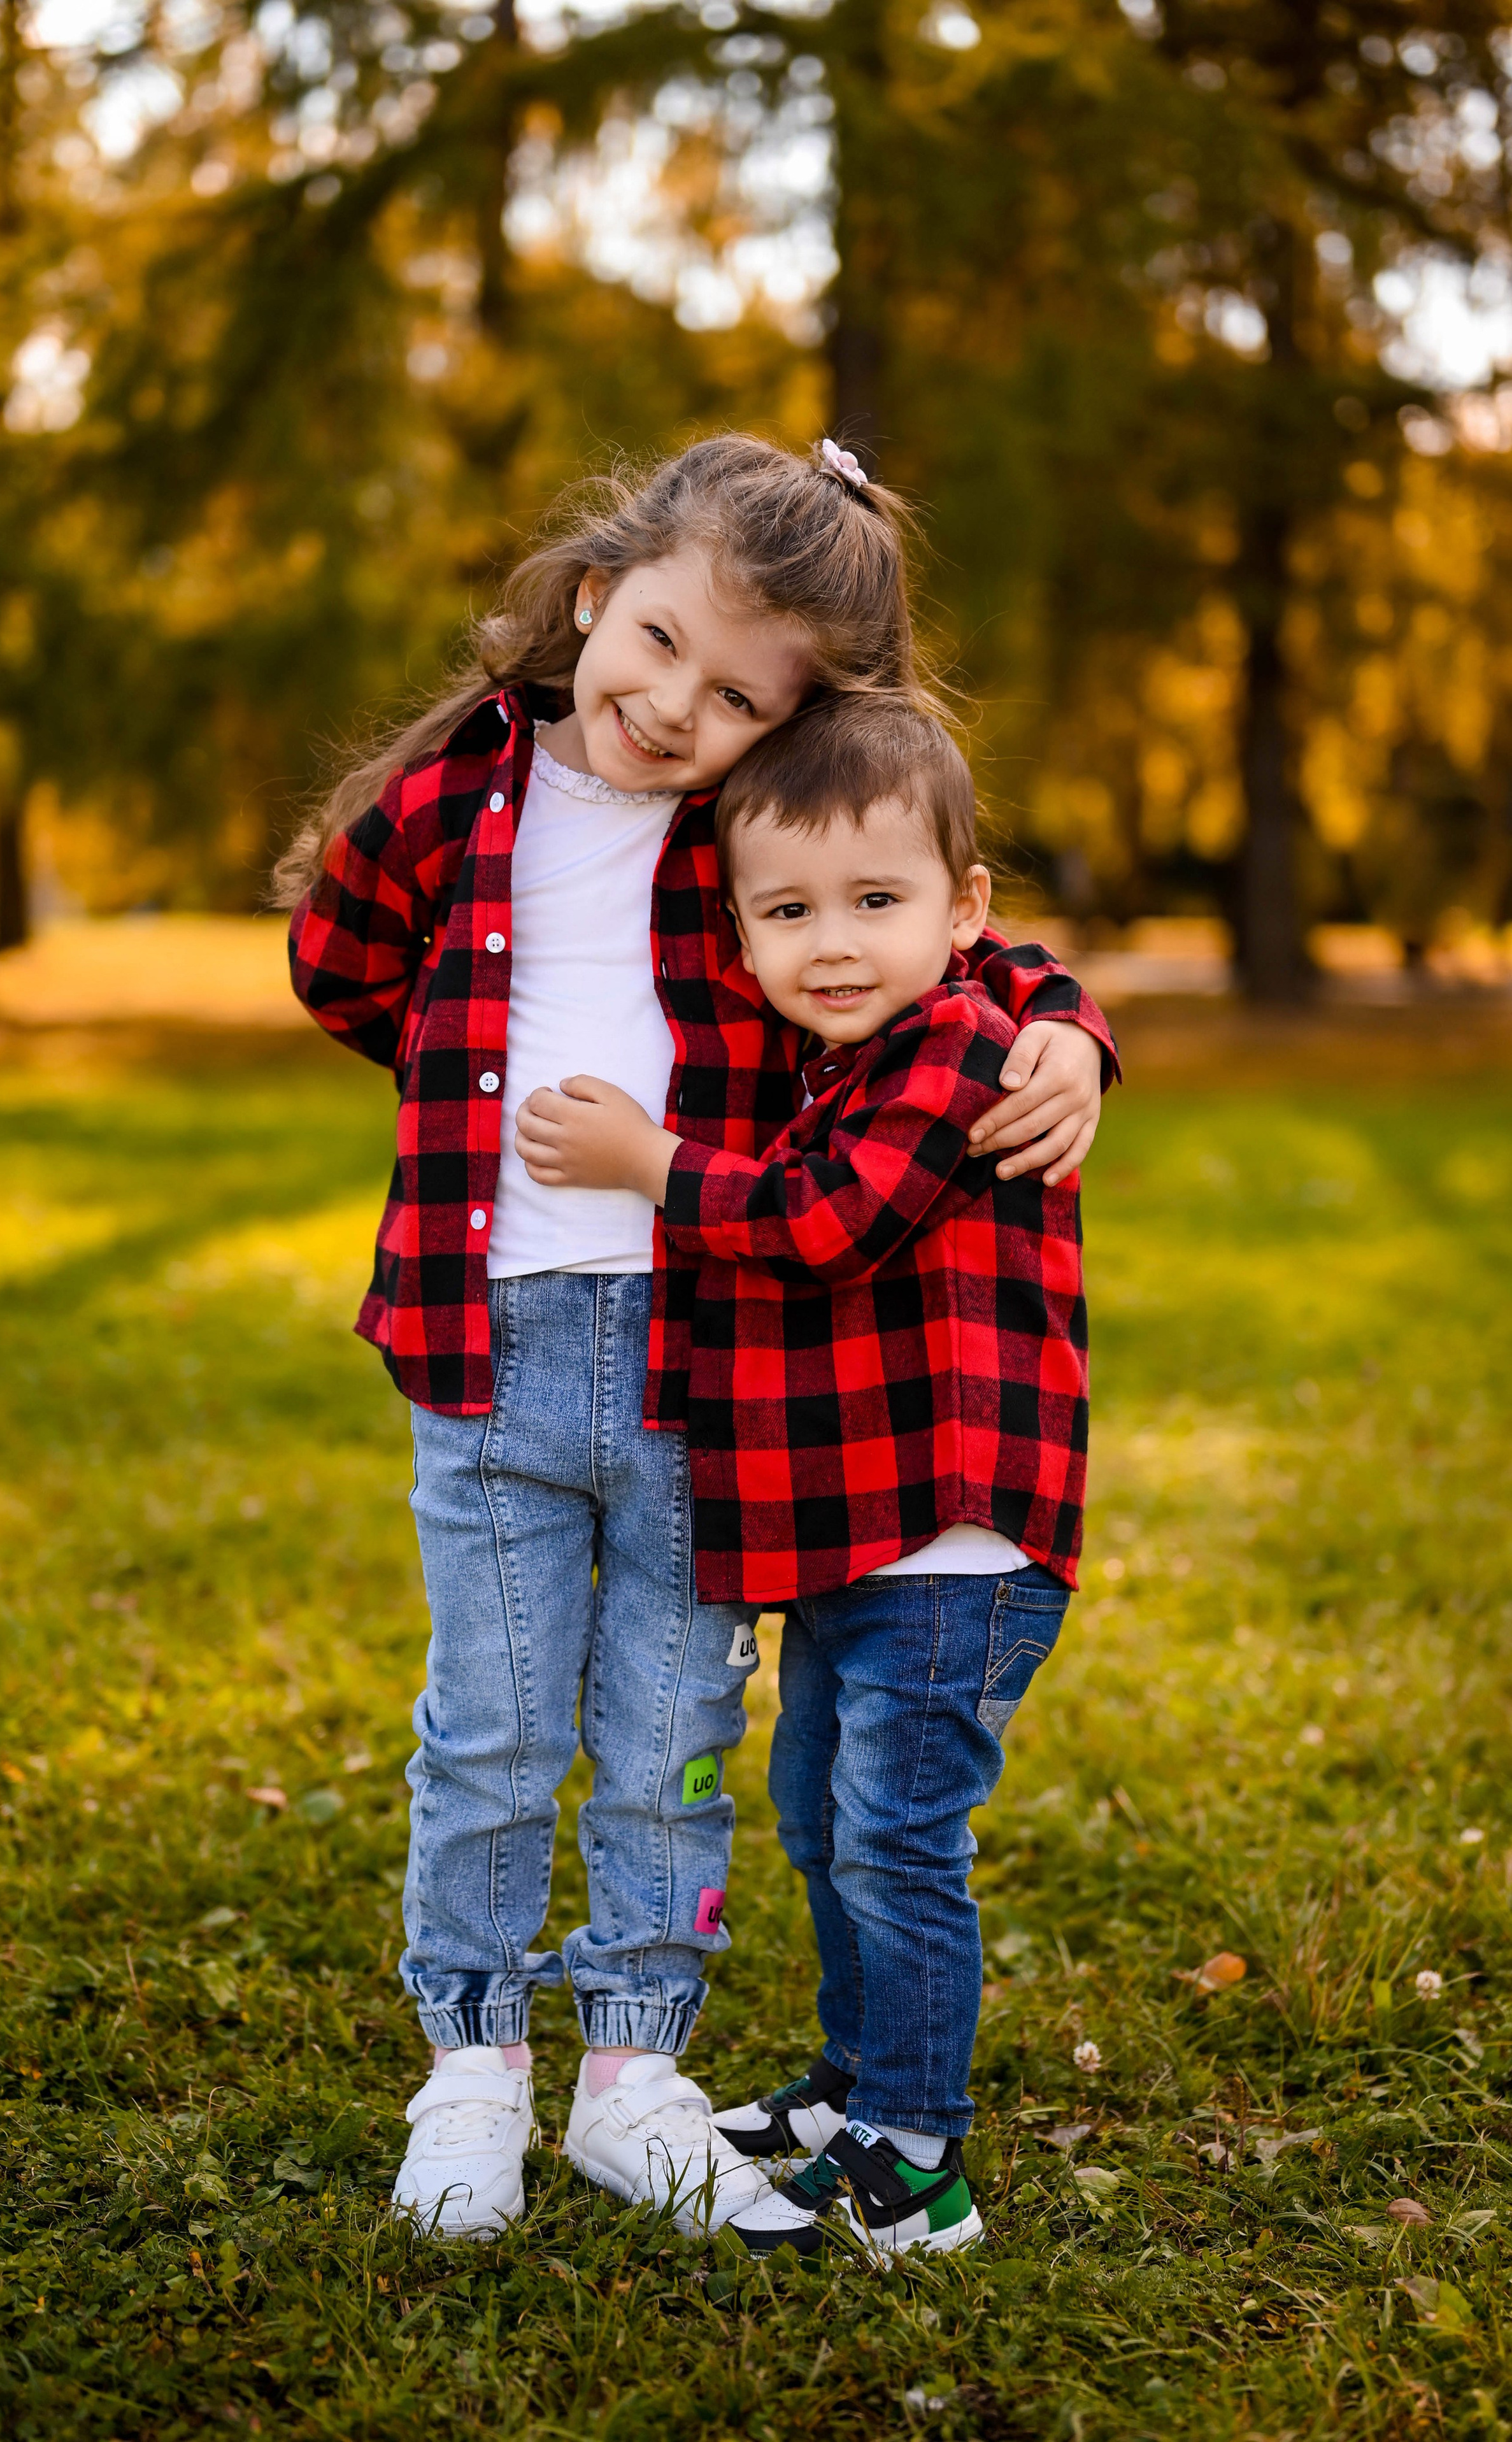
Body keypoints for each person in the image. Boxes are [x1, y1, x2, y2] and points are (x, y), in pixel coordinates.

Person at [282, 434, 1111, 2243]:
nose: (673, 706)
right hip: (484, 1332)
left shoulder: (749, 842)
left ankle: (634, 2074)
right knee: (493, 1723)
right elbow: (339, 959)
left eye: (739, 695)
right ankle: (475, 2069)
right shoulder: (454, 803)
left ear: (795, 723)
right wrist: (452, 1062)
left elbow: (938, 933)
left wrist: (1063, 1022)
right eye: (656, 643)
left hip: (708, 1351)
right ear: (596, 594)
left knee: (671, 1725)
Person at [513, 691, 1104, 2261]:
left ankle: (917, 2158)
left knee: (897, 1839)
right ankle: (856, 2083)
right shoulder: (829, 1041)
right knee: (819, 1820)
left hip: (953, 1540)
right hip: (860, 1542)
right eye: (788, 912)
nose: (830, 943)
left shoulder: (956, 1042)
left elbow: (819, 1221)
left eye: (875, 902)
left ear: (963, 913)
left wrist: (652, 1167)